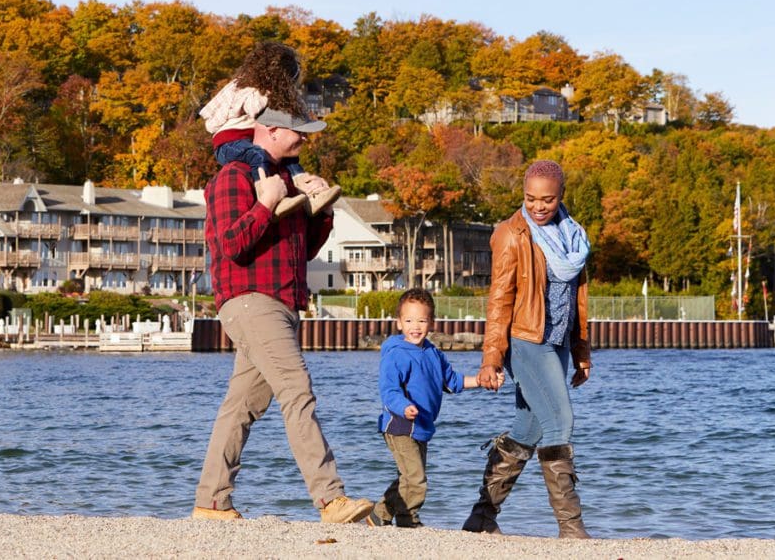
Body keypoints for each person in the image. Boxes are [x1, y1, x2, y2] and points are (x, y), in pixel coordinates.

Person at [192, 109, 372, 524]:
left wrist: (321, 208)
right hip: (251, 300)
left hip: (282, 303)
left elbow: (304, 250)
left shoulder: (285, 180)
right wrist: (266, 203)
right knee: (297, 391)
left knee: (241, 407)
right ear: (270, 130)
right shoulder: (233, 177)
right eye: (300, 132)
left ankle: (210, 503)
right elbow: (230, 244)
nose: (306, 141)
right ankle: (331, 499)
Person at [462, 159, 593, 539]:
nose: (538, 206)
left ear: (561, 197)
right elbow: (499, 299)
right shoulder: (510, 234)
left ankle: (481, 519)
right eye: (530, 198)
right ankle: (571, 529)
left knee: (529, 427)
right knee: (560, 421)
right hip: (525, 340)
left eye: (547, 200)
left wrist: (581, 352)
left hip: (557, 341)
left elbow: (577, 300)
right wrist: (490, 359)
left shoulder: (573, 236)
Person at [368, 288, 499, 529]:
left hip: (422, 426)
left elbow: (452, 382)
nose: (415, 326)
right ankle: (408, 521)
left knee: (408, 478)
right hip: (399, 424)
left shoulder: (433, 353)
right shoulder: (396, 354)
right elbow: (389, 391)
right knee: (416, 479)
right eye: (408, 321)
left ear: (432, 323)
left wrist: (480, 381)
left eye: (421, 320)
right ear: (399, 323)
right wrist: (404, 407)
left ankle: (379, 515)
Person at [199, 41, 341, 217]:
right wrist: (271, 96)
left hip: (246, 140)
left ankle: (310, 194)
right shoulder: (248, 89)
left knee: (291, 160)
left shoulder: (260, 88)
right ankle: (268, 197)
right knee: (256, 154)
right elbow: (255, 109)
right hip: (228, 143)